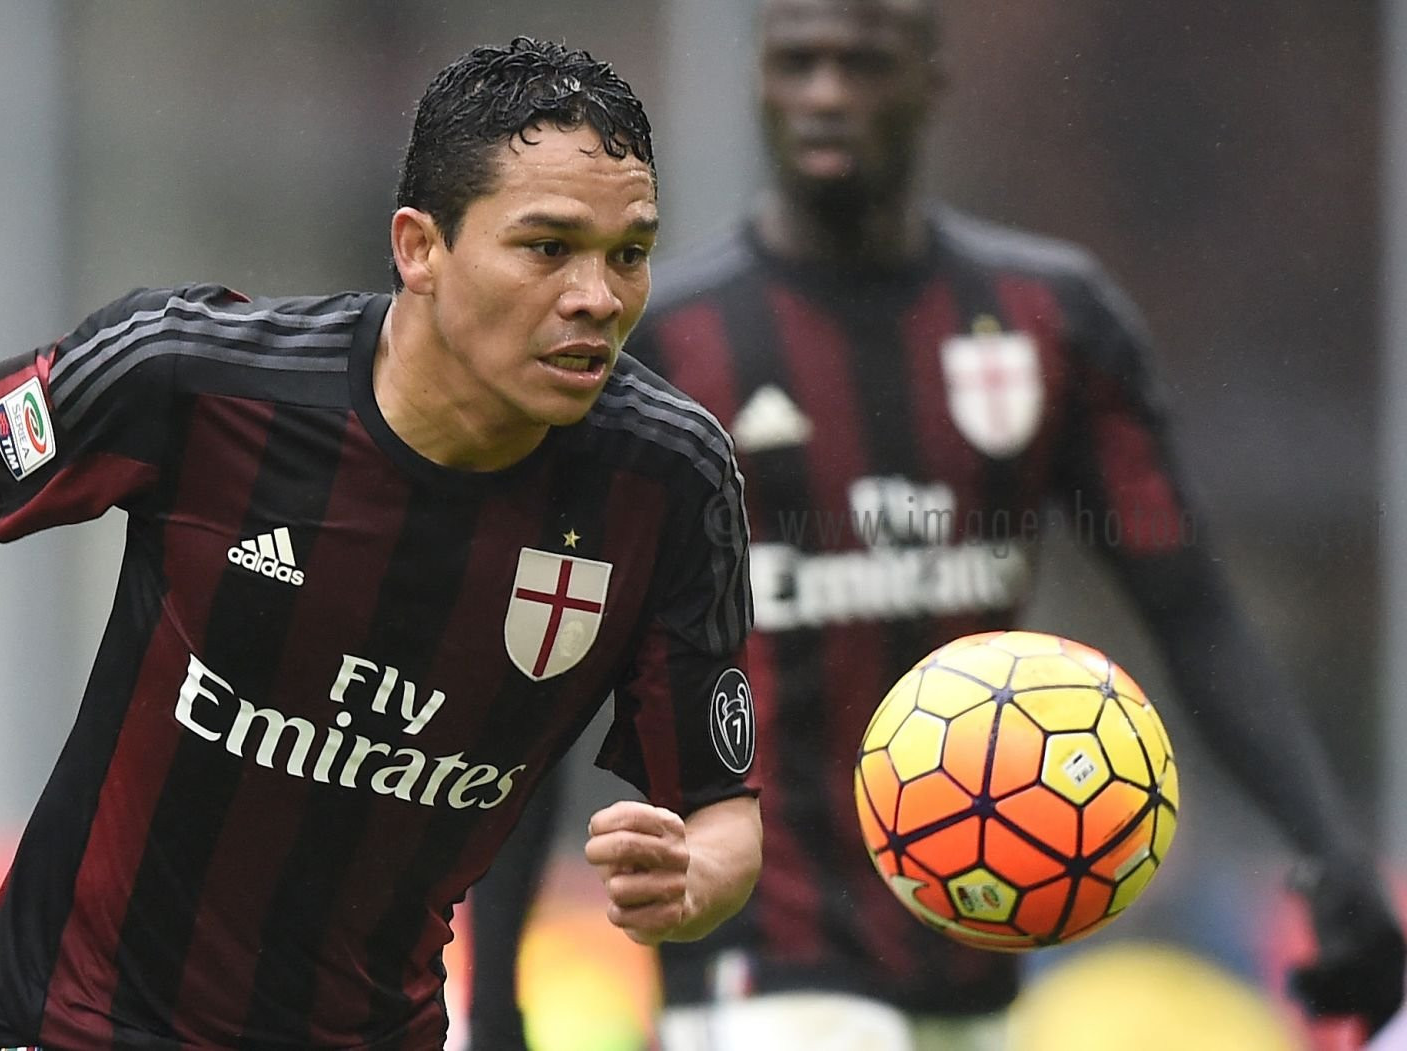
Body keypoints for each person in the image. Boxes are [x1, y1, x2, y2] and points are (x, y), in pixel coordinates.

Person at [0, 37, 765, 1051]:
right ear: (420, 249)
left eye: (629, 255)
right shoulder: (200, 376)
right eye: (547, 248)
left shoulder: (670, 481)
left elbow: (722, 815)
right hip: (79, 1022)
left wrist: (693, 880)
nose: (598, 297)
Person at [465, 2, 1407, 1049]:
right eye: (797, 63)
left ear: (929, 81)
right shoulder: (664, 351)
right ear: (760, 82)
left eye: (861, 63)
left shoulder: (1053, 322)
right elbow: (543, 678)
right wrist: (495, 998)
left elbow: (1192, 610)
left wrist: (1329, 850)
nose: (825, 94)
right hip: (757, 949)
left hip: (979, 935)